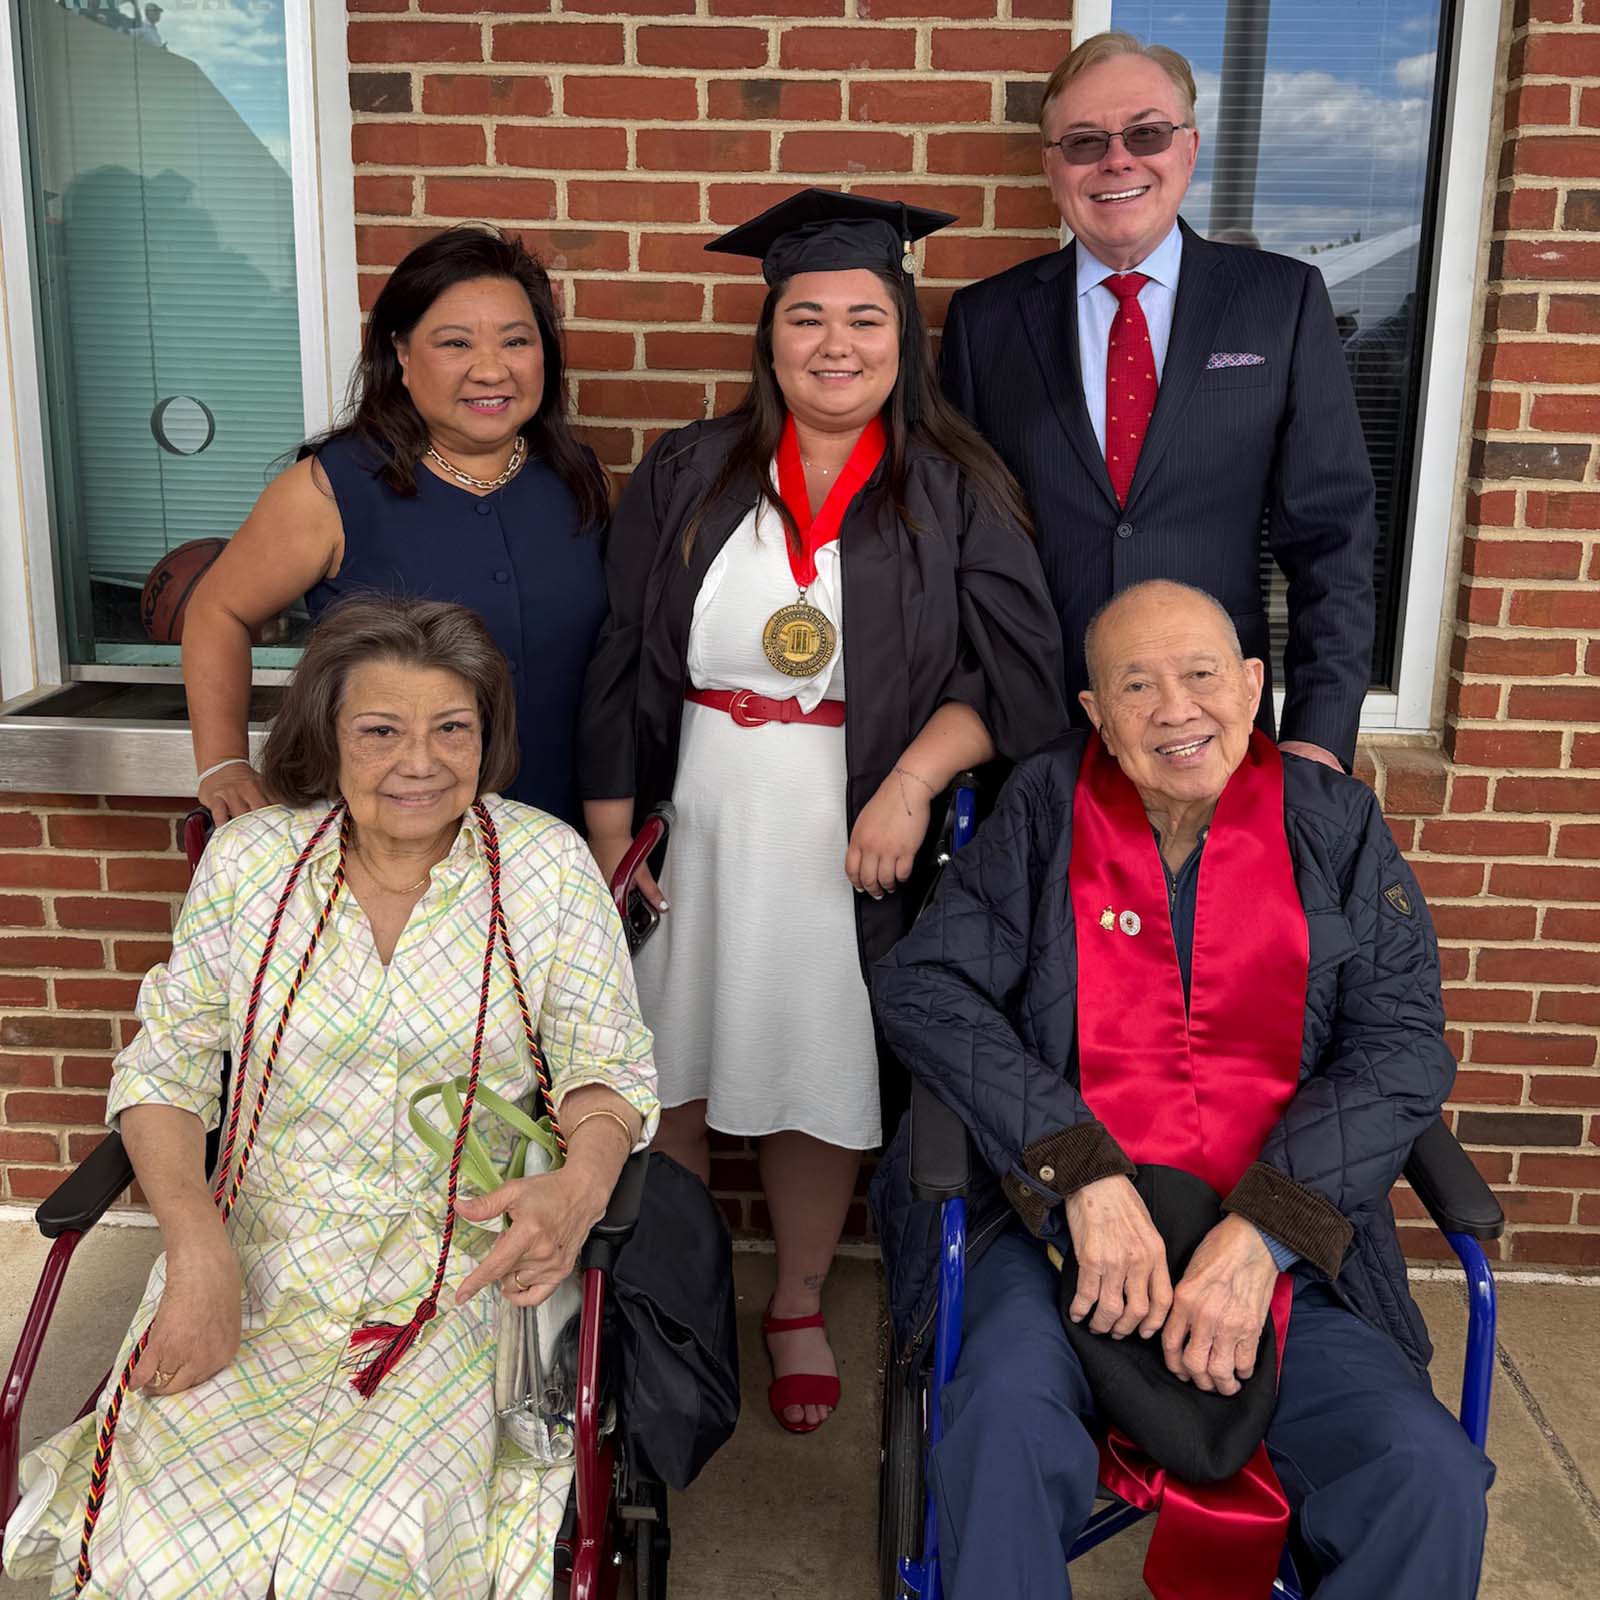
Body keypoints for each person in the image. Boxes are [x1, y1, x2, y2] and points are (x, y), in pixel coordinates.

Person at [6, 597, 658, 1598]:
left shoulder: (542, 865)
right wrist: (194, 1245)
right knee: (166, 1536)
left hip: (464, 1260)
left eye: (452, 728)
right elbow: (165, 1071)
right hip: (258, 1248)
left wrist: (580, 1184)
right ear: (327, 736)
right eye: (380, 730)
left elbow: (603, 1063)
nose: (421, 760)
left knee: (384, 1534)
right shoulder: (255, 863)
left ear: (488, 739)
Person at [871, 579, 1492, 1600]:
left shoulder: (1332, 828)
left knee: (1424, 1476)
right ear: (1094, 714)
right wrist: (1077, 1167)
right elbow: (927, 988)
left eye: (1201, 674)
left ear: (1251, 688)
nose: (1175, 708)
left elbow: (1401, 1051)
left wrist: (1265, 1228)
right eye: (1136, 684)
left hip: (1280, 1260)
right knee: (1000, 1431)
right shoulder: (1043, 806)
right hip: (1054, 1244)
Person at [583, 188, 1068, 1434]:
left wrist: (913, 779)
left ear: (902, 338)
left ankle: (797, 1297)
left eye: (864, 316)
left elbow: (1014, 678)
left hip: (849, 827)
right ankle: (679, 1296)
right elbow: (622, 653)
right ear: (769, 334)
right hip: (702, 808)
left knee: (818, 1067)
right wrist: (606, 837)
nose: (834, 343)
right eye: (807, 317)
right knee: (670, 1065)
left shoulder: (952, 481)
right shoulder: (691, 469)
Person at [940, 31, 1378, 773]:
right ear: (1052, 167)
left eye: (1145, 133)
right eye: (1084, 142)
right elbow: (951, 549)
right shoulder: (985, 322)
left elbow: (1331, 537)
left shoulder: (1281, 300)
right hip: (1034, 733)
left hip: (1214, 734)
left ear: (1189, 148)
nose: (1118, 159)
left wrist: (1319, 735)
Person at [183, 227, 611, 829]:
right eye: (455, 343)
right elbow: (217, 610)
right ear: (403, 355)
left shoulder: (579, 481)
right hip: (385, 837)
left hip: (555, 837)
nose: (491, 370)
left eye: (516, 340)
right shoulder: (330, 490)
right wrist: (222, 762)